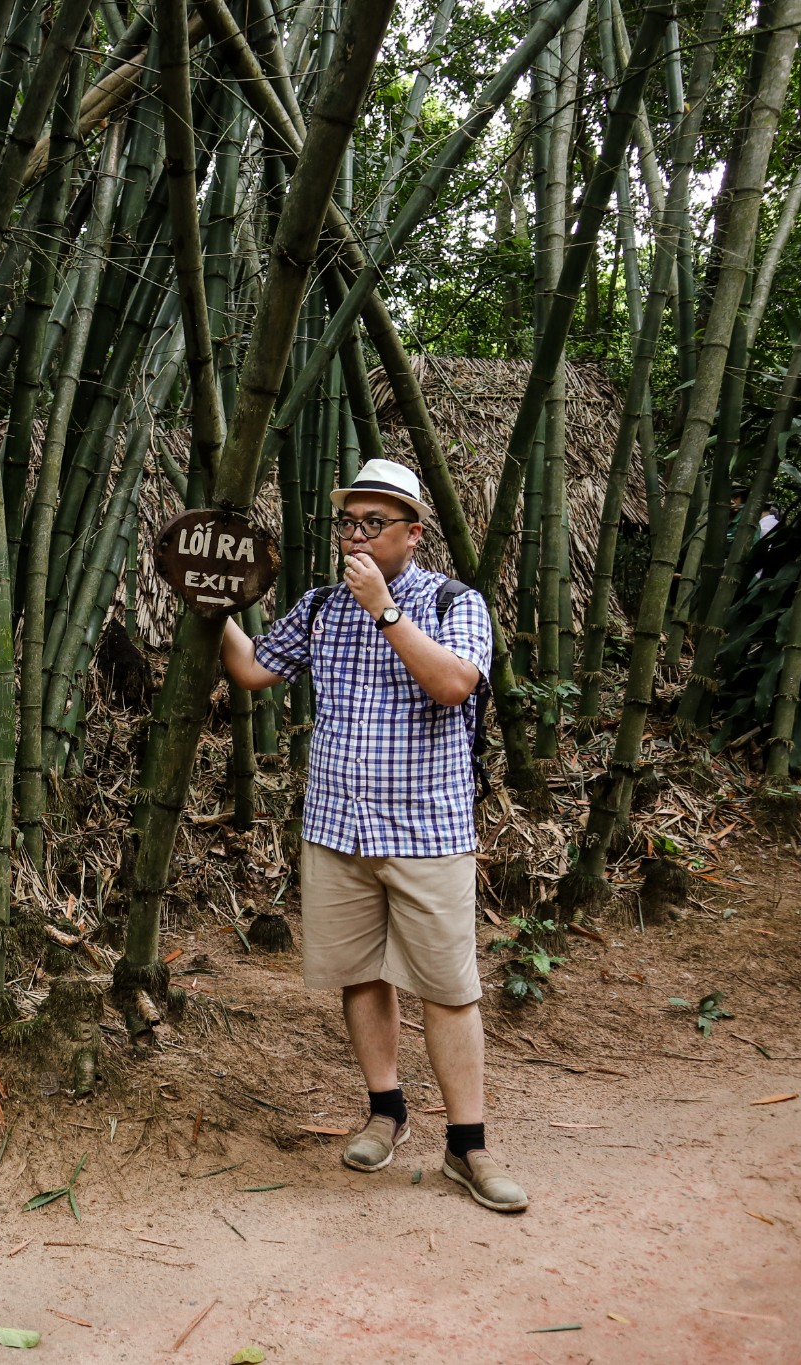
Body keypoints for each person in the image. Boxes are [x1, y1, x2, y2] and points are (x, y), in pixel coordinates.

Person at [217, 458, 529, 1214]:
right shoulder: (323, 605)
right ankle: (386, 1110)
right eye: (347, 522)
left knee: (451, 990)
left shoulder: (457, 601)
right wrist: (209, 608)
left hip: (427, 829)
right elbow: (255, 669)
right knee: (362, 972)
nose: (354, 536)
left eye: (372, 523)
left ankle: (468, 1144)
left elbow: (454, 684)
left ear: (411, 534)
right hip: (336, 825)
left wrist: (387, 610)